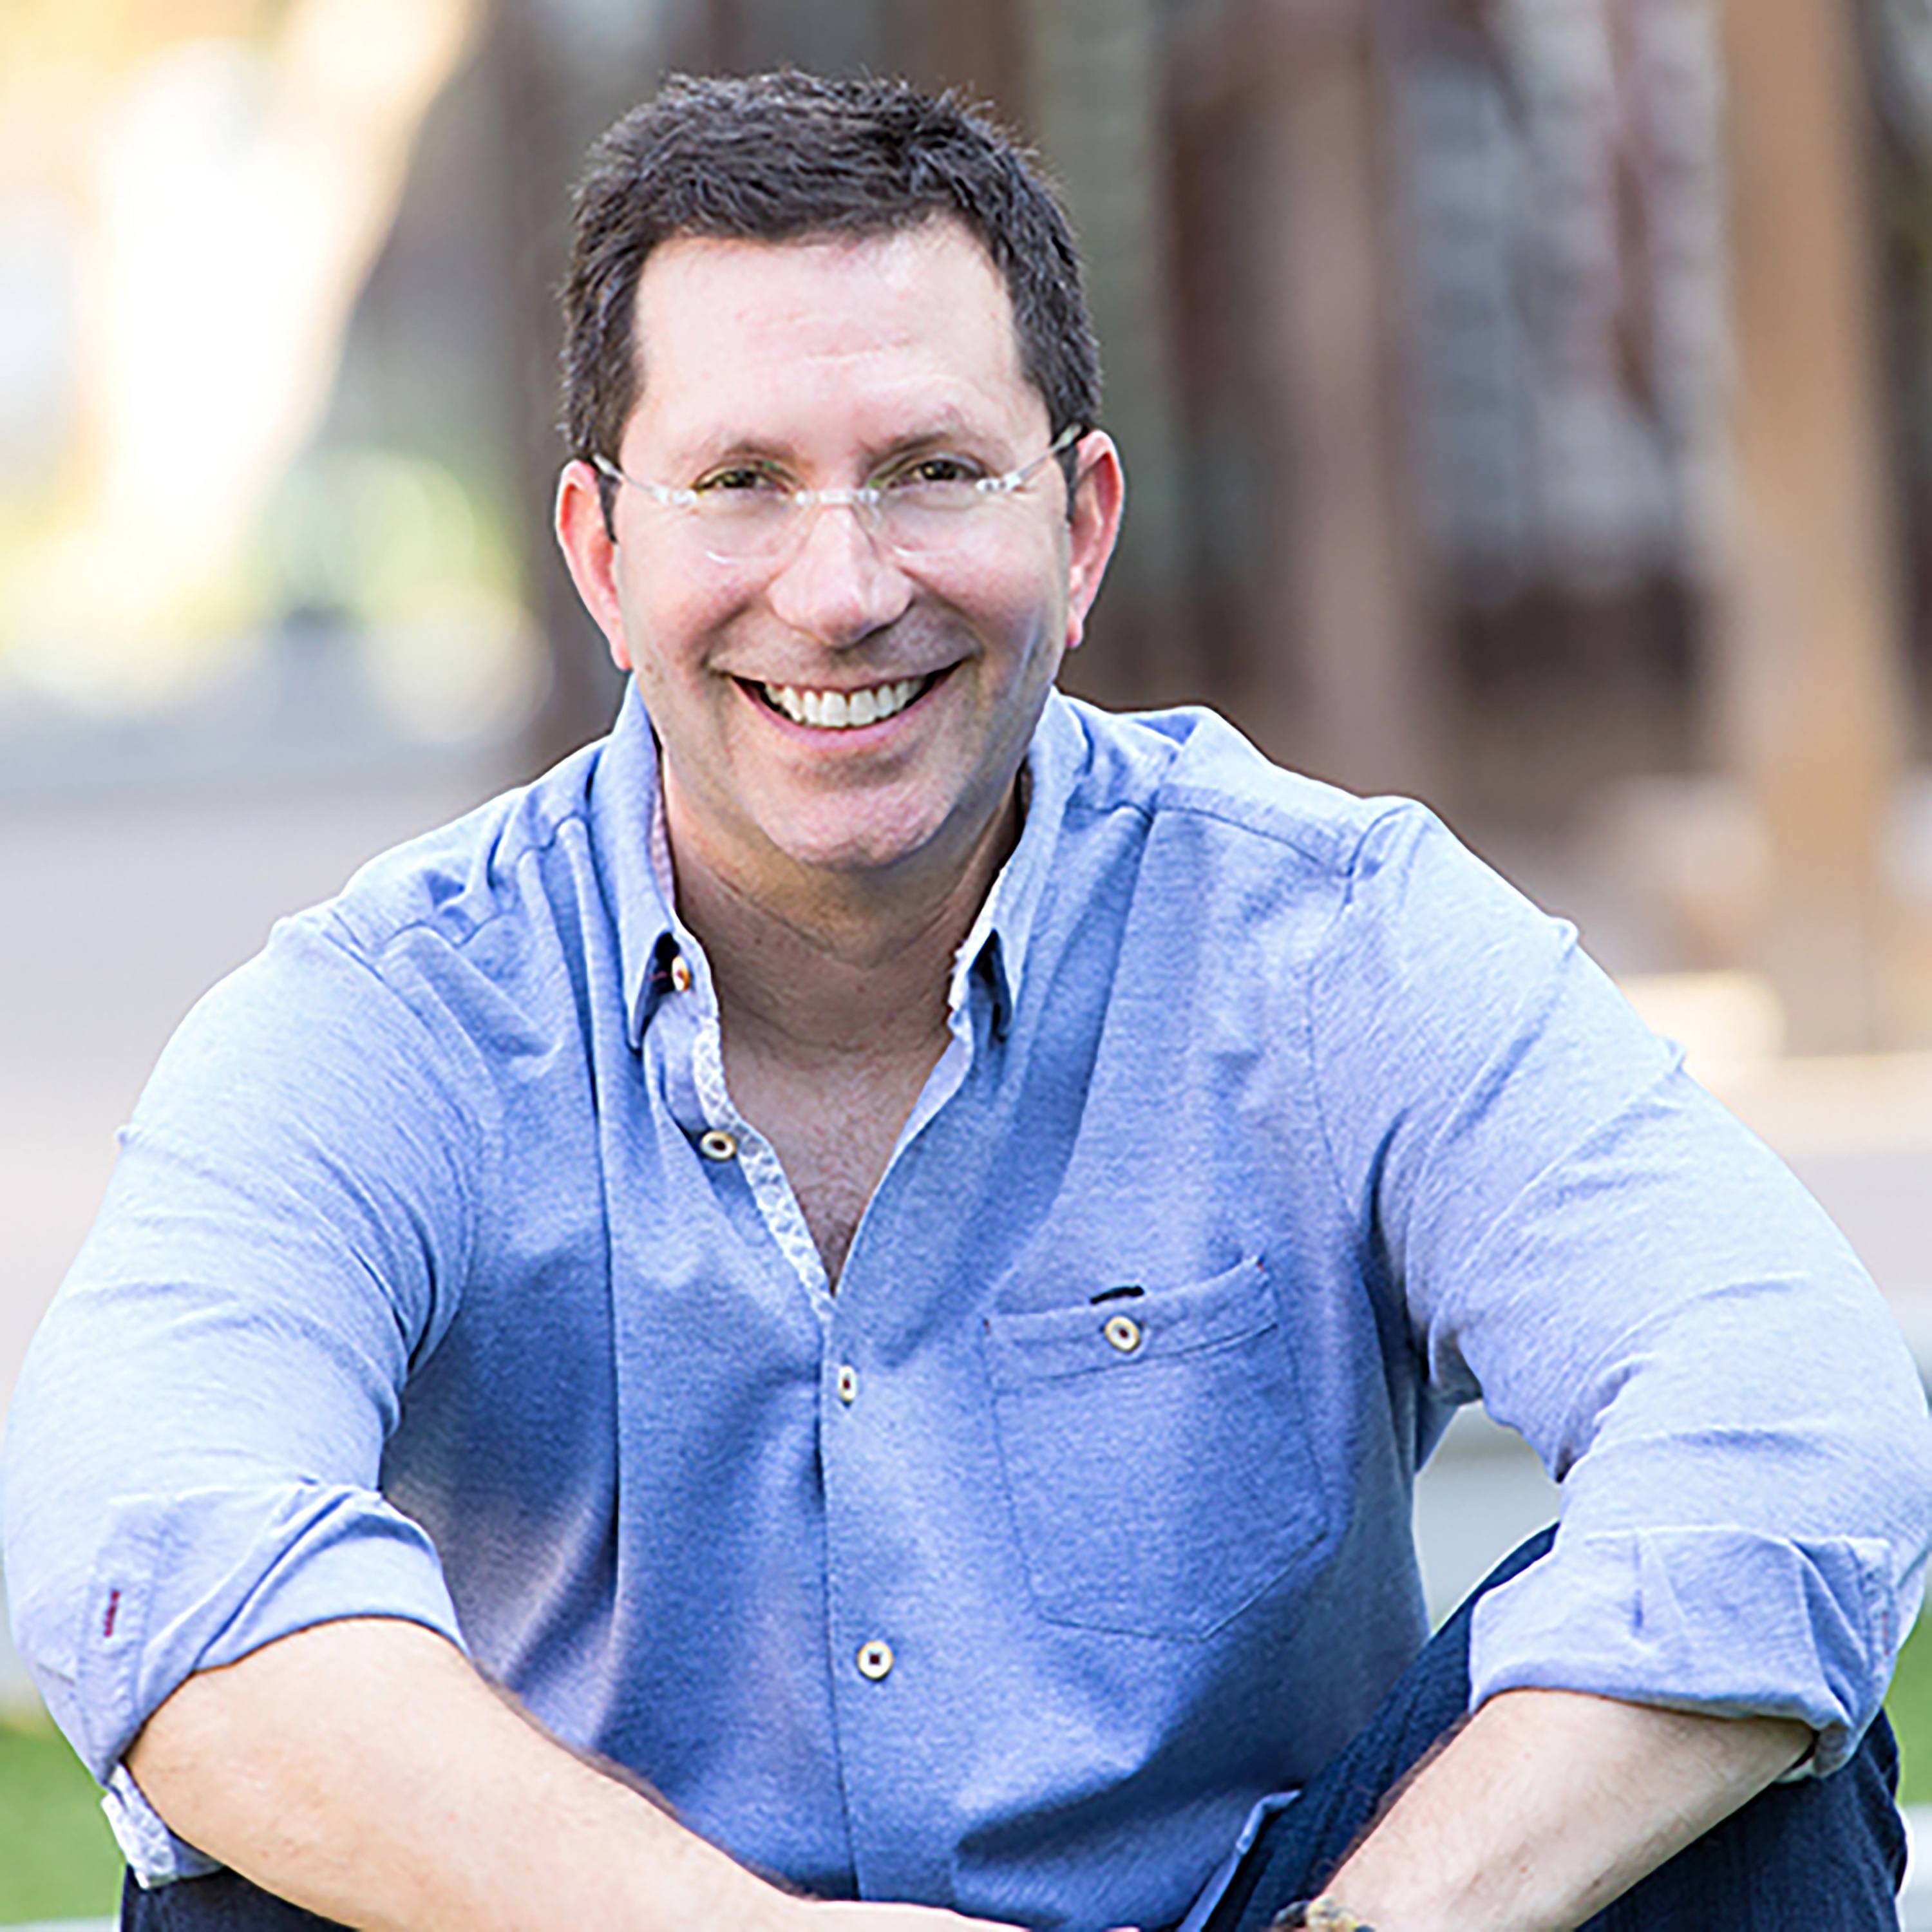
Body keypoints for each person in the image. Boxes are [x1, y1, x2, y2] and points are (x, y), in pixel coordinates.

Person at [3, 68, 1929, 1932]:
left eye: (931, 474)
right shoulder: (392, 1017)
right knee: (260, 1852)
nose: (841, 589)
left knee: (1735, 1774)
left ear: (1080, 526)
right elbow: (148, 1533)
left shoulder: (1333, 941)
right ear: (604, 551)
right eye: (740, 484)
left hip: (1257, 1918)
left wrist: (1384, 1925)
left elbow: (1793, 1404)